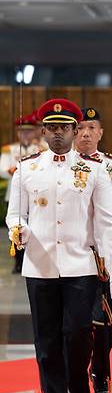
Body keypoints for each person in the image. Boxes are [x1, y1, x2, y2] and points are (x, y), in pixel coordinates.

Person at [5, 98, 112, 393]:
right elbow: (15, 213)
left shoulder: (96, 170)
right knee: (46, 342)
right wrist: (19, 228)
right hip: (39, 268)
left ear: (75, 131)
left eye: (65, 127)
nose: (58, 133)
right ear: (43, 131)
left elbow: (107, 224)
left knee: (77, 334)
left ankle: (80, 392)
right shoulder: (27, 168)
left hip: (80, 266)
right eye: (52, 127)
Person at [74, 107, 112, 393]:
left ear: (100, 133)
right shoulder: (62, 166)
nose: (85, 133)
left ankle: (101, 373)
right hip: (74, 255)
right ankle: (77, 382)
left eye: (91, 128)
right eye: (80, 128)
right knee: (76, 325)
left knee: (105, 323)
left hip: (105, 256)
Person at [0, 111, 44, 273]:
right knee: (16, 227)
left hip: (35, 195)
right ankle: (17, 261)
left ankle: (31, 258)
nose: (25, 134)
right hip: (15, 192)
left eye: (28, 131)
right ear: (17, 132)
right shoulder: (9, 149)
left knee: (32, 227)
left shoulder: (40, 148)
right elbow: (2, 170)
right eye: (22, 131)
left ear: (34, 132)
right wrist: (13, 170)